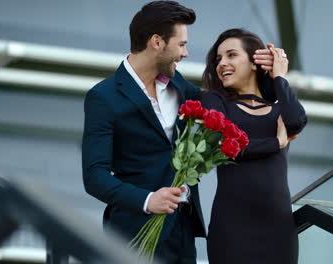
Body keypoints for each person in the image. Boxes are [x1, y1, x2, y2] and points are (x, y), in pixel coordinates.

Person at [81, 2, 277, 263]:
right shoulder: (103, 97)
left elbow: (229, 104)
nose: (185, 53)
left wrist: (269, 76)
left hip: (183, 231)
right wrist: (148, 200)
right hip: (132, 235)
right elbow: (95, 175)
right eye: (181, 44)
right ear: (157, 42)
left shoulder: (178, 84)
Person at [201, 28, 308, 264]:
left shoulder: (280, 108)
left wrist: (278, 76)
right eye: (218, 59)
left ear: (253, 62)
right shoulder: (215, 101)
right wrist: (275, 143)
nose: (222, 64)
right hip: (232, 225)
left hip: (277, 226)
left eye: (231, 55)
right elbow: (222, 146)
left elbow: (296, 121)